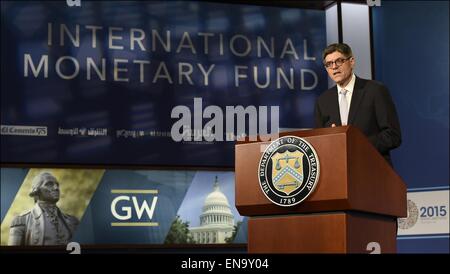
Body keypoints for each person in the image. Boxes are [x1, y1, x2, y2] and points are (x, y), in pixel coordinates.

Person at [314, 43, 401, 166]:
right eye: (329, 64)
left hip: (373, 171)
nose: (334, 67)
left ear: (352, 62)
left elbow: (393, 135)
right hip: (339, 173)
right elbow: (319, 144)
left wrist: (356, 144)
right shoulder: (323, 101)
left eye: (339, 61)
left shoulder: (375, 90)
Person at [8, 172, 79, 246]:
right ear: (37, 190)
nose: (56, 188)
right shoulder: (21, 220)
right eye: (49, 184)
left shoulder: (72, 221)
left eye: (57, 185)